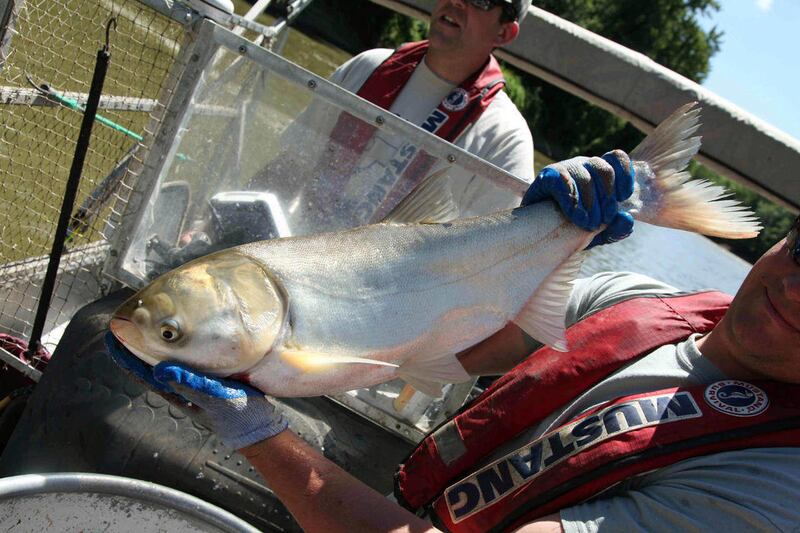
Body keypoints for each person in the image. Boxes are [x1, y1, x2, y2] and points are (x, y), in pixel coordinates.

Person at [105, 150, 800, 532]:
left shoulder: (771, 492)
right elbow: (474, 347)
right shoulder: (641, 302)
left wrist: (254, 431)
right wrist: (543, 228)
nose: (795, 289)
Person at [248, 0, 535, 232]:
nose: (457, 2)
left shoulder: (505, 139)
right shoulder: (367, 67)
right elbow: (288, 168)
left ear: (504, 33)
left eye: (480, 1)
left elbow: (483, 264)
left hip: (391, 297)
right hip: (298, 259)